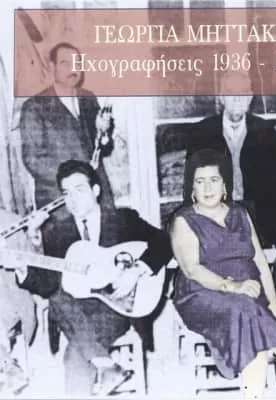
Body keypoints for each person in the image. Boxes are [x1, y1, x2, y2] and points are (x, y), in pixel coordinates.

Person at [170, 149, 276, 400]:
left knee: (248, 316)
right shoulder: (183, 220)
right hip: (202, 294)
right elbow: (192, 269)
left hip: (249, 292)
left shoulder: (240, 213)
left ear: (225, 183)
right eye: (200, 181)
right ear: (192, 187)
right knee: (245, 309)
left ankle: (253, 395)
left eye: (214, 180)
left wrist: (274, 303)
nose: (207, 188)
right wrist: (232, 286)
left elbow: (260, 261)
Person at [17, 160, 172, 396]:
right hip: (77, 311)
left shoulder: (123, 220)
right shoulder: (58, 232)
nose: (73, 199)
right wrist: (23, 267)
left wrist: (136, 270)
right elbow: (47, 283)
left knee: (75, 356)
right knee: (58, 296)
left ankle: (103, 364)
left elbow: (164, 242)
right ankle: (105, 364)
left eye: (79, 190)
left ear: (96, 190)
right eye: (66, 193)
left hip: (117, 307)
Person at [186, 71, 276, 248]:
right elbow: (192, 184)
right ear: (221, 97)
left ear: (250, 97)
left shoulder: (266, 132)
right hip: (214, 219)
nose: (237, 99)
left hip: (260, 221)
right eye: (231, 93)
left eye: (243, 93)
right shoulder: (202, 133)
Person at [19, 42, 114, 217]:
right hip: (60, 203)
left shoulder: (88, 99)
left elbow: (104, 149)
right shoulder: (34, 106)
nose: (73, 69)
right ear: (52, 67)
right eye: (65, 63)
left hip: (97, 199)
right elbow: (33, 160)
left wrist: (105, 133)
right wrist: (74, 180)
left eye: (77, 63)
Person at [0, 210, 37, 395]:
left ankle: (6, 365)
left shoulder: (10, 222)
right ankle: (6, 364)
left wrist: (33, 233)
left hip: (8, 297)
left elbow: (36, 266)